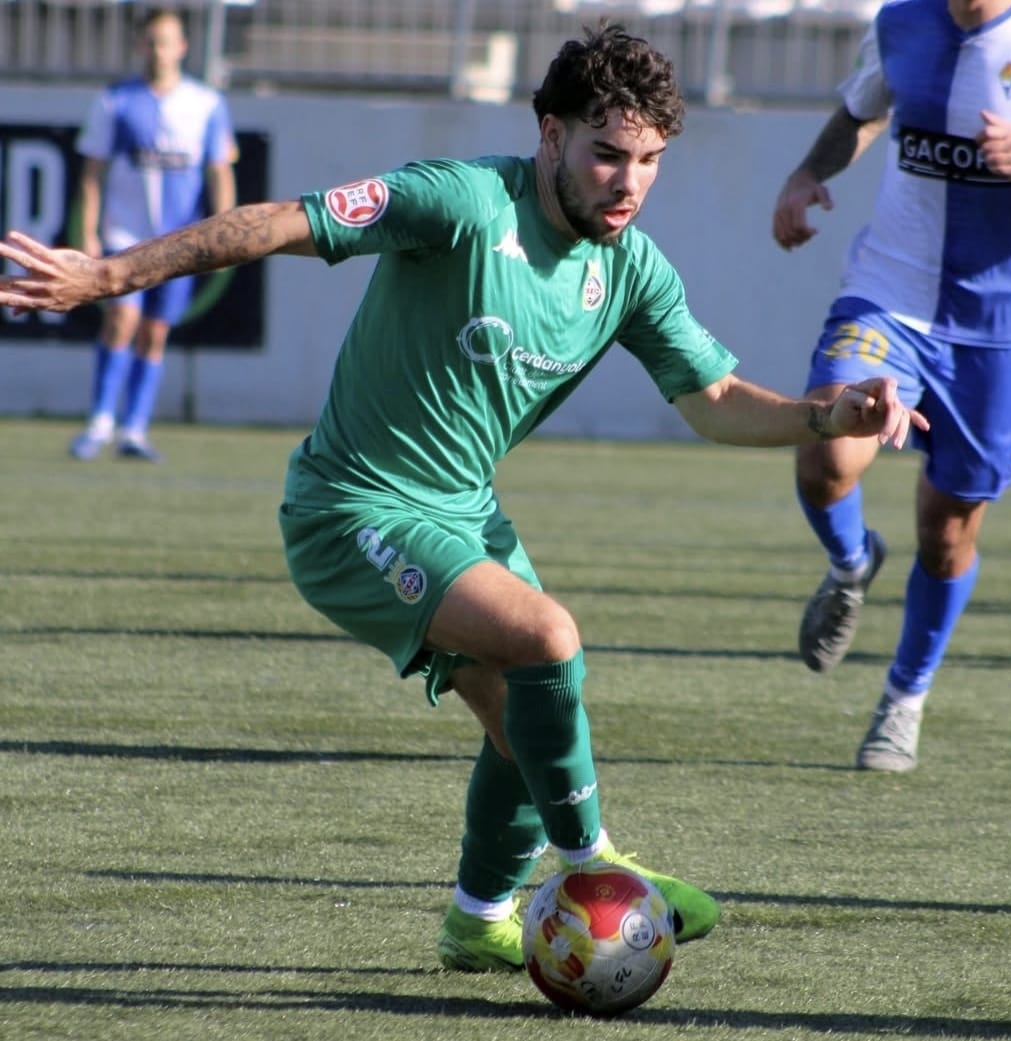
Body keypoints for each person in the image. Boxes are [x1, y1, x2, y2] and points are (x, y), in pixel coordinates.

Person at [0, 25, 924, 971]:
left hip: (462, 514)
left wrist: (830, 414)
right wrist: (107, 274)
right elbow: (281, 221)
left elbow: (717, 402)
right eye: (607, 153)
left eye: (649, 161)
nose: (629, 181)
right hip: (350, 510)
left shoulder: (631, 271)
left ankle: (476, 916)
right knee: (549, 639)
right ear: (550, 133)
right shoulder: (463, 201)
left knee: (530, 721)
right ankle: (592, 867)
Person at [772, 0, 1011, 771]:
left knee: (945, 534)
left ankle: (903, 698)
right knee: (824, 445)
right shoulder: (899, 21)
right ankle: (849, 564)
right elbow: (858, 110)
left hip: (1002, 328)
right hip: (890, 294)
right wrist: (808, 172)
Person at [68, 5, 237, 463]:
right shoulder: (116, 100)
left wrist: (226, 228)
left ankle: (133, 429)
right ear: (141, 45)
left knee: (156, 331)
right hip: (126, 235)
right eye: (152, 41)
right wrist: (88, 231)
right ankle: (99, 422)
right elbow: (92, 171)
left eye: (168, 41)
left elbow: (220, 170)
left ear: (182, 47)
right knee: (121, 319)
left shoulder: (206, 104)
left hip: (180, 241)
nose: (159, 50)